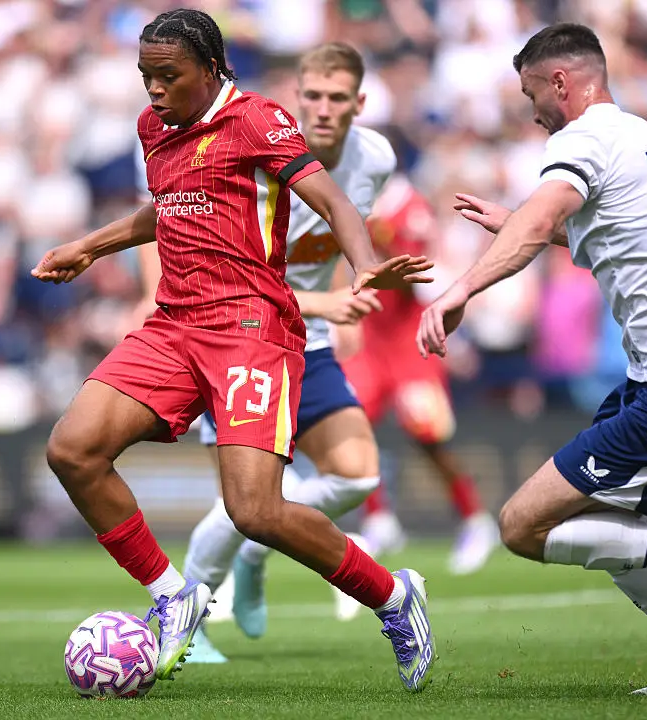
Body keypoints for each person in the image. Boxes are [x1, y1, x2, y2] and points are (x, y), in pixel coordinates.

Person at [32, 9, 436, 692]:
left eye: (168, 76)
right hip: (173, 324)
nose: (154, 90)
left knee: (256, 510)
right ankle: (175, 596)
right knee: (72, 450)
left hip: (250, 327)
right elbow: (169, 205)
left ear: (211, 68)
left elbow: (334, 200)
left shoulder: (257, 120)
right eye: (145, 77)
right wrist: (89, 245)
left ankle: (395, 600)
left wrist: (364, 263)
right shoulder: (153, 128)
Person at [417, 23, 647, 695]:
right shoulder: (642, 134)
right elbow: (617, 234)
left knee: (522, 525)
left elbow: (542, 221)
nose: (531, 108)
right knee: (606, 529)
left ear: (562, 83)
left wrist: (460, 289)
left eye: (531, 92)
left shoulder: (582, 139)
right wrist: (520, 222)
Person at [137, 42, 398, 662]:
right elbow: (232, 270)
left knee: (357, 474)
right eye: (312, 96)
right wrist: (324, 304)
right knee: (246, 499)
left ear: (359, 103)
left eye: (338, 98)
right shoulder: (254, 146)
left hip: (310, 334)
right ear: (295, 96)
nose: (324, 109)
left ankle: (258, 549)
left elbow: (333, 245)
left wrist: (353, 286)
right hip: (234, 335)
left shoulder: (375, 160)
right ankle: (191, 620)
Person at [341, 174, 500, 575]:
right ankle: (379, 519)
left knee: (429, 435)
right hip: (370, 336)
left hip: (408, 337)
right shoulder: (340, 188)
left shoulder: (404, 203)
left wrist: (383, 238)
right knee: (350, 425)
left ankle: (475, 519)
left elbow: (416, 274)